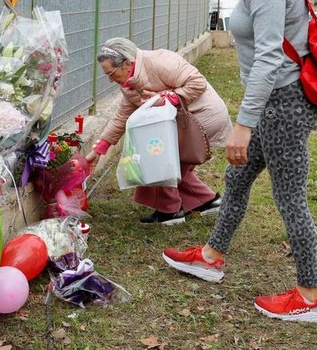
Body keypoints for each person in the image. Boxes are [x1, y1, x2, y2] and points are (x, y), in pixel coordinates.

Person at [161, 0, 317, 323]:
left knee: (290, 197)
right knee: (236, 181)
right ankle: (211, 256)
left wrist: (244, 124)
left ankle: (309, 296)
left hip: (282, 105)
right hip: (275, 103)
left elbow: (271, 55)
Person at [85, 37, 232, 225]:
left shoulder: (160, 61)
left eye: (111, 74)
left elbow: (197, 82)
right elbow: (122, 117)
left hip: (202, 115)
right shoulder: (128, 85)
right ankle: (206, 201)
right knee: (166, 159)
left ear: (127, 64)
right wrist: (99, 149)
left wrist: (168, 98)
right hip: (182, 120)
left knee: (158, 156)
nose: (111, 80)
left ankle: (170, 210)